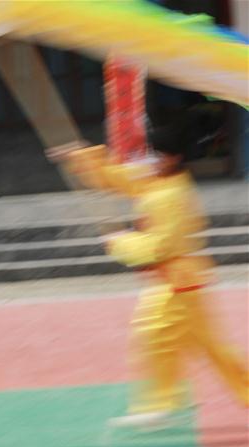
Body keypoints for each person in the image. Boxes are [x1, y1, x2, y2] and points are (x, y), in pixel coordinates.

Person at [48, 120, 249, 429]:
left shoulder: (174, 196)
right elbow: (116, 179)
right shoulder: (156, 181)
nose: (151, 159)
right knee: (207, 348)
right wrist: (82, 157)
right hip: (180, 282)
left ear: (175, 157)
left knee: (156, 335)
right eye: (151, 152)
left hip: (176, 280)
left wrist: (122, 243)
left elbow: (160, 247)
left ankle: (161, 402)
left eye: (158, 154)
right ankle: (166, 399)